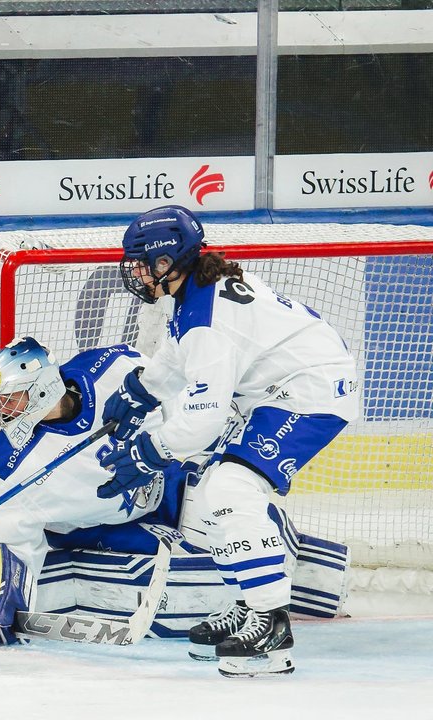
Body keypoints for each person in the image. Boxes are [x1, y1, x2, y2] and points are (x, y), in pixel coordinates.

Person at [98, 205, 358, 677]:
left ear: (165, 263)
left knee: (229, 490)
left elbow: (203, 414)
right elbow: (178, 357)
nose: (133, 273)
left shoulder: (206, 320)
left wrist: (149, 451)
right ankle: (247, 602)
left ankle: (271, 620)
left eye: (139, 263)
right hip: (275, 389)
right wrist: (140, 389)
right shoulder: (197, 289)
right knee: (202, 492)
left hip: (311, 390)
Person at [0, 337, 198, 646]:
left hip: (166, 480)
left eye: (12, 398)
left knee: (220, 497)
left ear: (43, 387)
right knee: (180, 552)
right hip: (101, 529)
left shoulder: (112, 365)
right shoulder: (5, 465)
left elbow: (175, 394)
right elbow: (9, 540)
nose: (3, 408)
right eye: (0, 399)